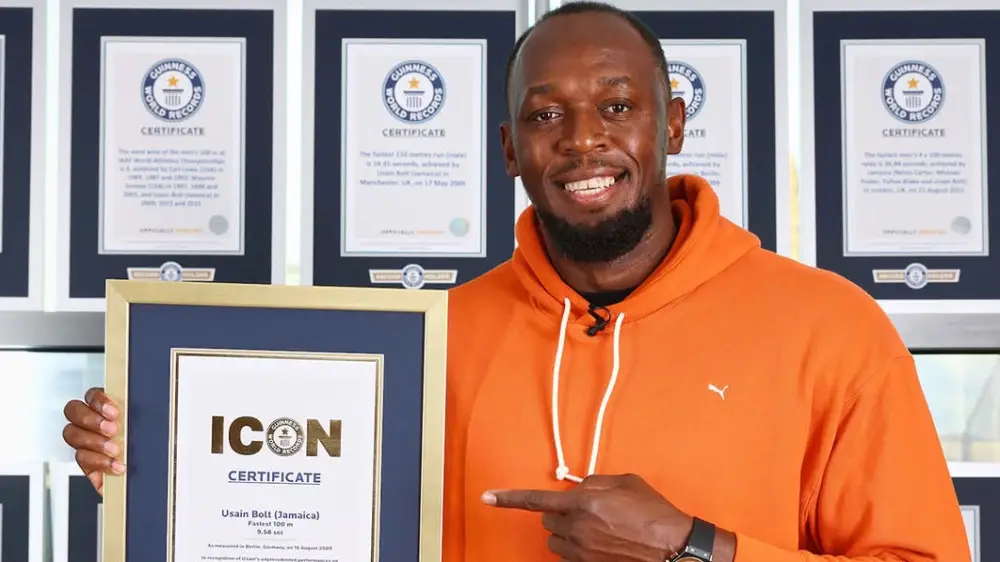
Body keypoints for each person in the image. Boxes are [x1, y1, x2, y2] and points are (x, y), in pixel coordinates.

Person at [62, 2, 969, 561]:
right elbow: (305, 522)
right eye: (545, 116)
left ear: (673, 125)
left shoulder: (829, 327)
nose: (583, 140)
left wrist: (693, 548)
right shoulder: (429, 339)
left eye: (618, 105)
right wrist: (152, 471)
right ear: (508, 149)